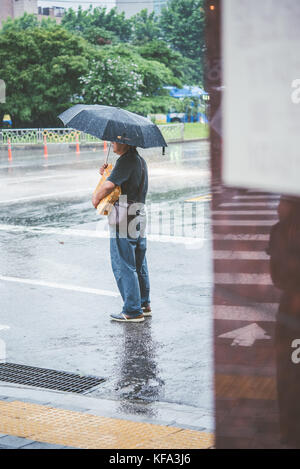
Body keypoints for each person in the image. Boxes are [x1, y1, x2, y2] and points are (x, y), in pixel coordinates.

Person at [92, 141, 151, 323]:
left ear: (124, 142)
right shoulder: (139, 160)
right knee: (139, 263)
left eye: (113, 141)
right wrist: (106, 173)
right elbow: (123, 182)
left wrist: (95, 197)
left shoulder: (125, 161)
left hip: (125, 214)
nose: (111, 144)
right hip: (138, 212)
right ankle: (143, 304)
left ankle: (132, 311)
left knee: (124, 263)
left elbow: (110, 186)